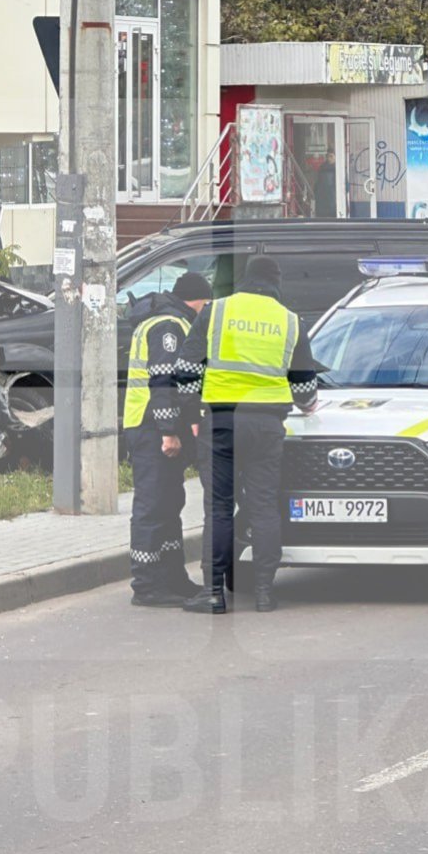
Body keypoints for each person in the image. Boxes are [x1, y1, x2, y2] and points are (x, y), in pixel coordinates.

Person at [175, 254, 318, 615]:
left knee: (219, 508)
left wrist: (191, 414)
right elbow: (304, 389)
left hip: (221, 422)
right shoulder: (290, 321)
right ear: (276, 282)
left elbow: (187, 369)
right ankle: (265, 591)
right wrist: (309, 404)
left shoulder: (217, 311)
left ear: (245, 280)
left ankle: (213, 593)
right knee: (263, 504)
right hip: (268, 426)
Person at [124, 270, 213, 608]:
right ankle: (146, 585)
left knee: (170, 503)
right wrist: (169, 433)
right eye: (206, 303)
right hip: (151, 427)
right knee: (151, 505)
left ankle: (173, 576)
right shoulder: (168, 327)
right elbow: (163, 385)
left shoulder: (173, 322)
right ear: (197, 300)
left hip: (153, 426)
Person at [314, 148, 338, 218]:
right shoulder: (322, 168)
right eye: (328, 156)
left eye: (331, 156)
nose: (329, 159)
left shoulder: (339, 168)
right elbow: (318, 183)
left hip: (333, 200)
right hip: (325, 201)